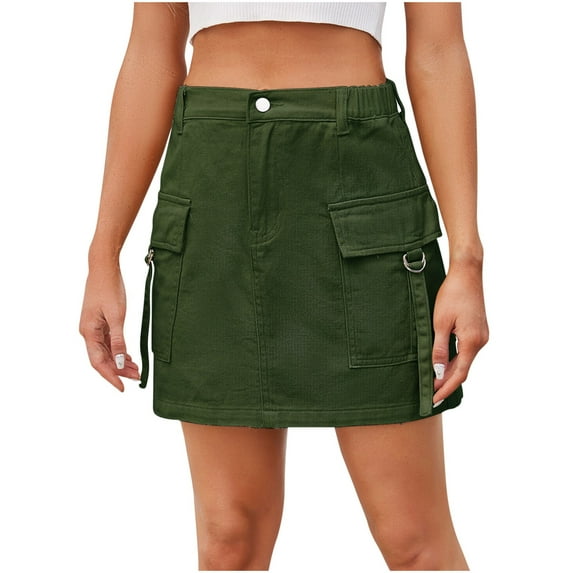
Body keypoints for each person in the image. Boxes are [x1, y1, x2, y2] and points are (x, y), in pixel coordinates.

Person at [79, 2, 488, 570]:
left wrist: (467, 258)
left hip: (359, 180)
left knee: (413, 538)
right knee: (230, 539)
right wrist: (103, 254)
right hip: (213, 183)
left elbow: (438, 51)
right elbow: (151, 54)